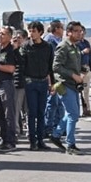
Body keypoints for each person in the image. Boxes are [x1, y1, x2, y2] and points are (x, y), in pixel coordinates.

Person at [49, 21, 87, 155]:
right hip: (65, 84)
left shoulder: (75, 47)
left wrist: (82, 70)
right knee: (73, 114)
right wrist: (73, 75)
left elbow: (72, 64)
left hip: (73, 85)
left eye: (80, 31)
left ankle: (56, 134)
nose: (79, 33)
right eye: (76, 31)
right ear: (69, 32)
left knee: (71, 114)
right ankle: (70, 144)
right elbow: (56, 66)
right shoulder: (63, 46)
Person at [18, 22, 54, 150]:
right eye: (30, 31)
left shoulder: (48, 47)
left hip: (43, 82)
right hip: (30, 82)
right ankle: (32, 141)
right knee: (31, 112)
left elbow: (51, 67)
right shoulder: (25, 46)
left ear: (40, 32)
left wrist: (52, 84)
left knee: (41, 112)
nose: (31, 33)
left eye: (33, 31)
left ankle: (40, 140)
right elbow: (21, 65)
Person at [0, 25, 22, 151]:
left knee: (9, 113)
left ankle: (10, 140)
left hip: (6, 83)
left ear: (9, 36)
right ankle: (3, 138)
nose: (0, 36)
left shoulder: (10, 50)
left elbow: (11, 69)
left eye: (3, 34)